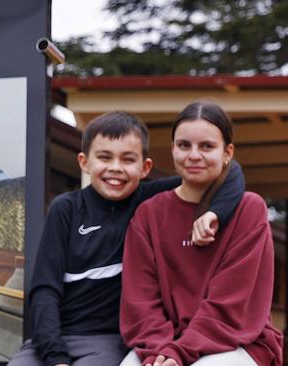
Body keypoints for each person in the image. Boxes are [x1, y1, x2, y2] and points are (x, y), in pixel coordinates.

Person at [7, 111, 245, 366]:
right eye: (104, 157)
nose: (116, 168)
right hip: (51, 341)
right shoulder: (65, 208)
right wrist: (56, 357)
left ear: (145, 168)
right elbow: (45, 289)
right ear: (84, 162)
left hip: (108, 342)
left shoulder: (150, 201)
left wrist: (214, 213)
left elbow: (229, 172)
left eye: (128, 159)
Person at [119, 102, 283, 366]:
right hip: (165, 341)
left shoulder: (249, 210)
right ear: (173, 149)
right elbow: (140, 303)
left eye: (207, 146)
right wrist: (161, 351)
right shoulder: (148, 214)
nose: (194, 155)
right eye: (184, 145)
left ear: (228, 152)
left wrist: (180, 352)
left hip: (238, 341)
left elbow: (229, 306)